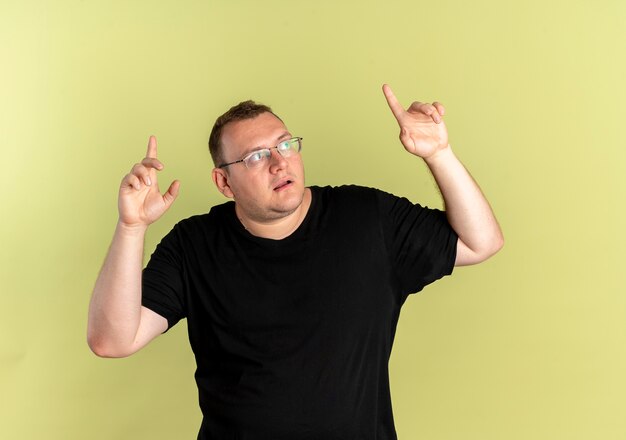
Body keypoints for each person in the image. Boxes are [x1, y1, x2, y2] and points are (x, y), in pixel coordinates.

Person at [87, 84, 504, 439]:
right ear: (223, 182)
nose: (279, 162)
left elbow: (480, 242)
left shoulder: (367, 218)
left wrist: (439, 154)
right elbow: (112, 340)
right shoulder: (194, 245)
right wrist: (130, 227)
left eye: (285, 144)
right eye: (255, 156)